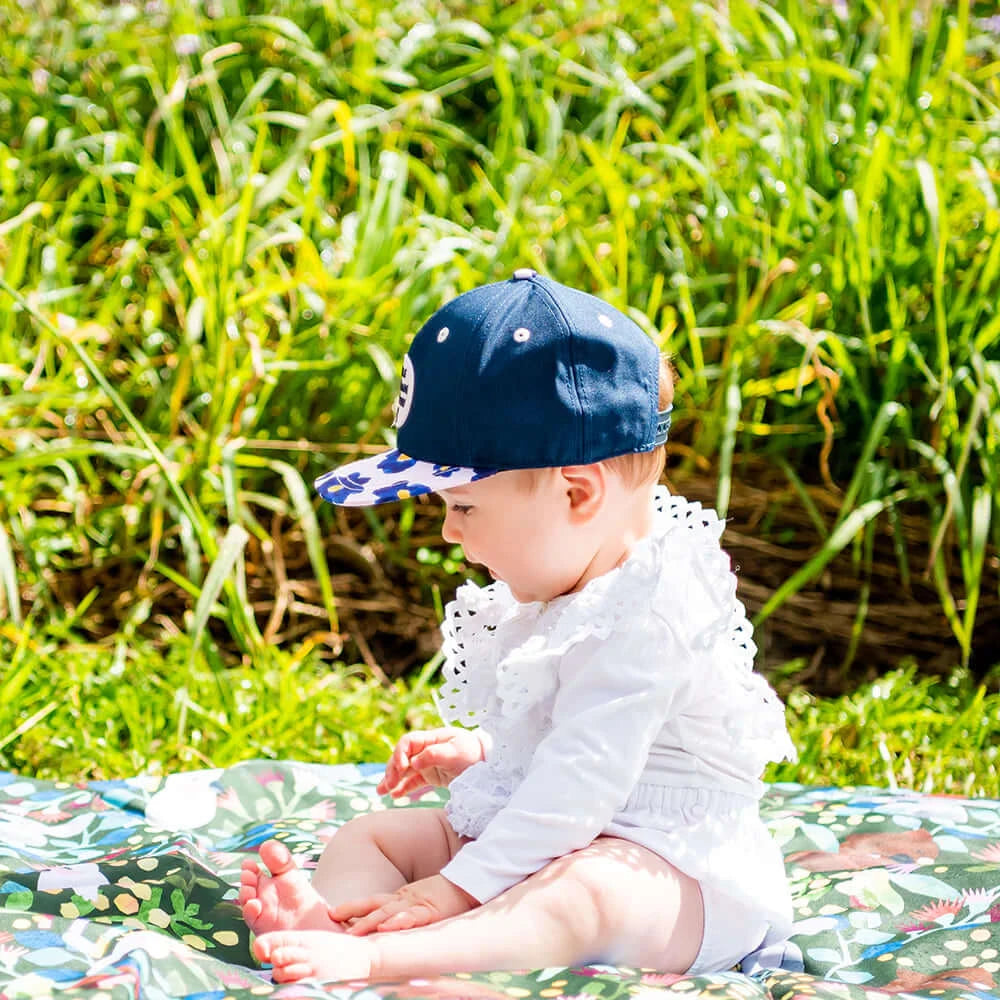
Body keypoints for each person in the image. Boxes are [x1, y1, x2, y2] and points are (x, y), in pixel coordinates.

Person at [239, 269, 796, 984]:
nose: (446, 531)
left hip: (671, 869)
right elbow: (570, 733)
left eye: (463, 507)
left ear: (576, 492)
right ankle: (343, 921)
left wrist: (454, 888)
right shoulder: (574, 573)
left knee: (585, 892)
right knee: (375, 836)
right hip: (558, 823)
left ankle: (381, 955)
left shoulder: (651, 611)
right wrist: (486, 752)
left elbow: (585, 781)